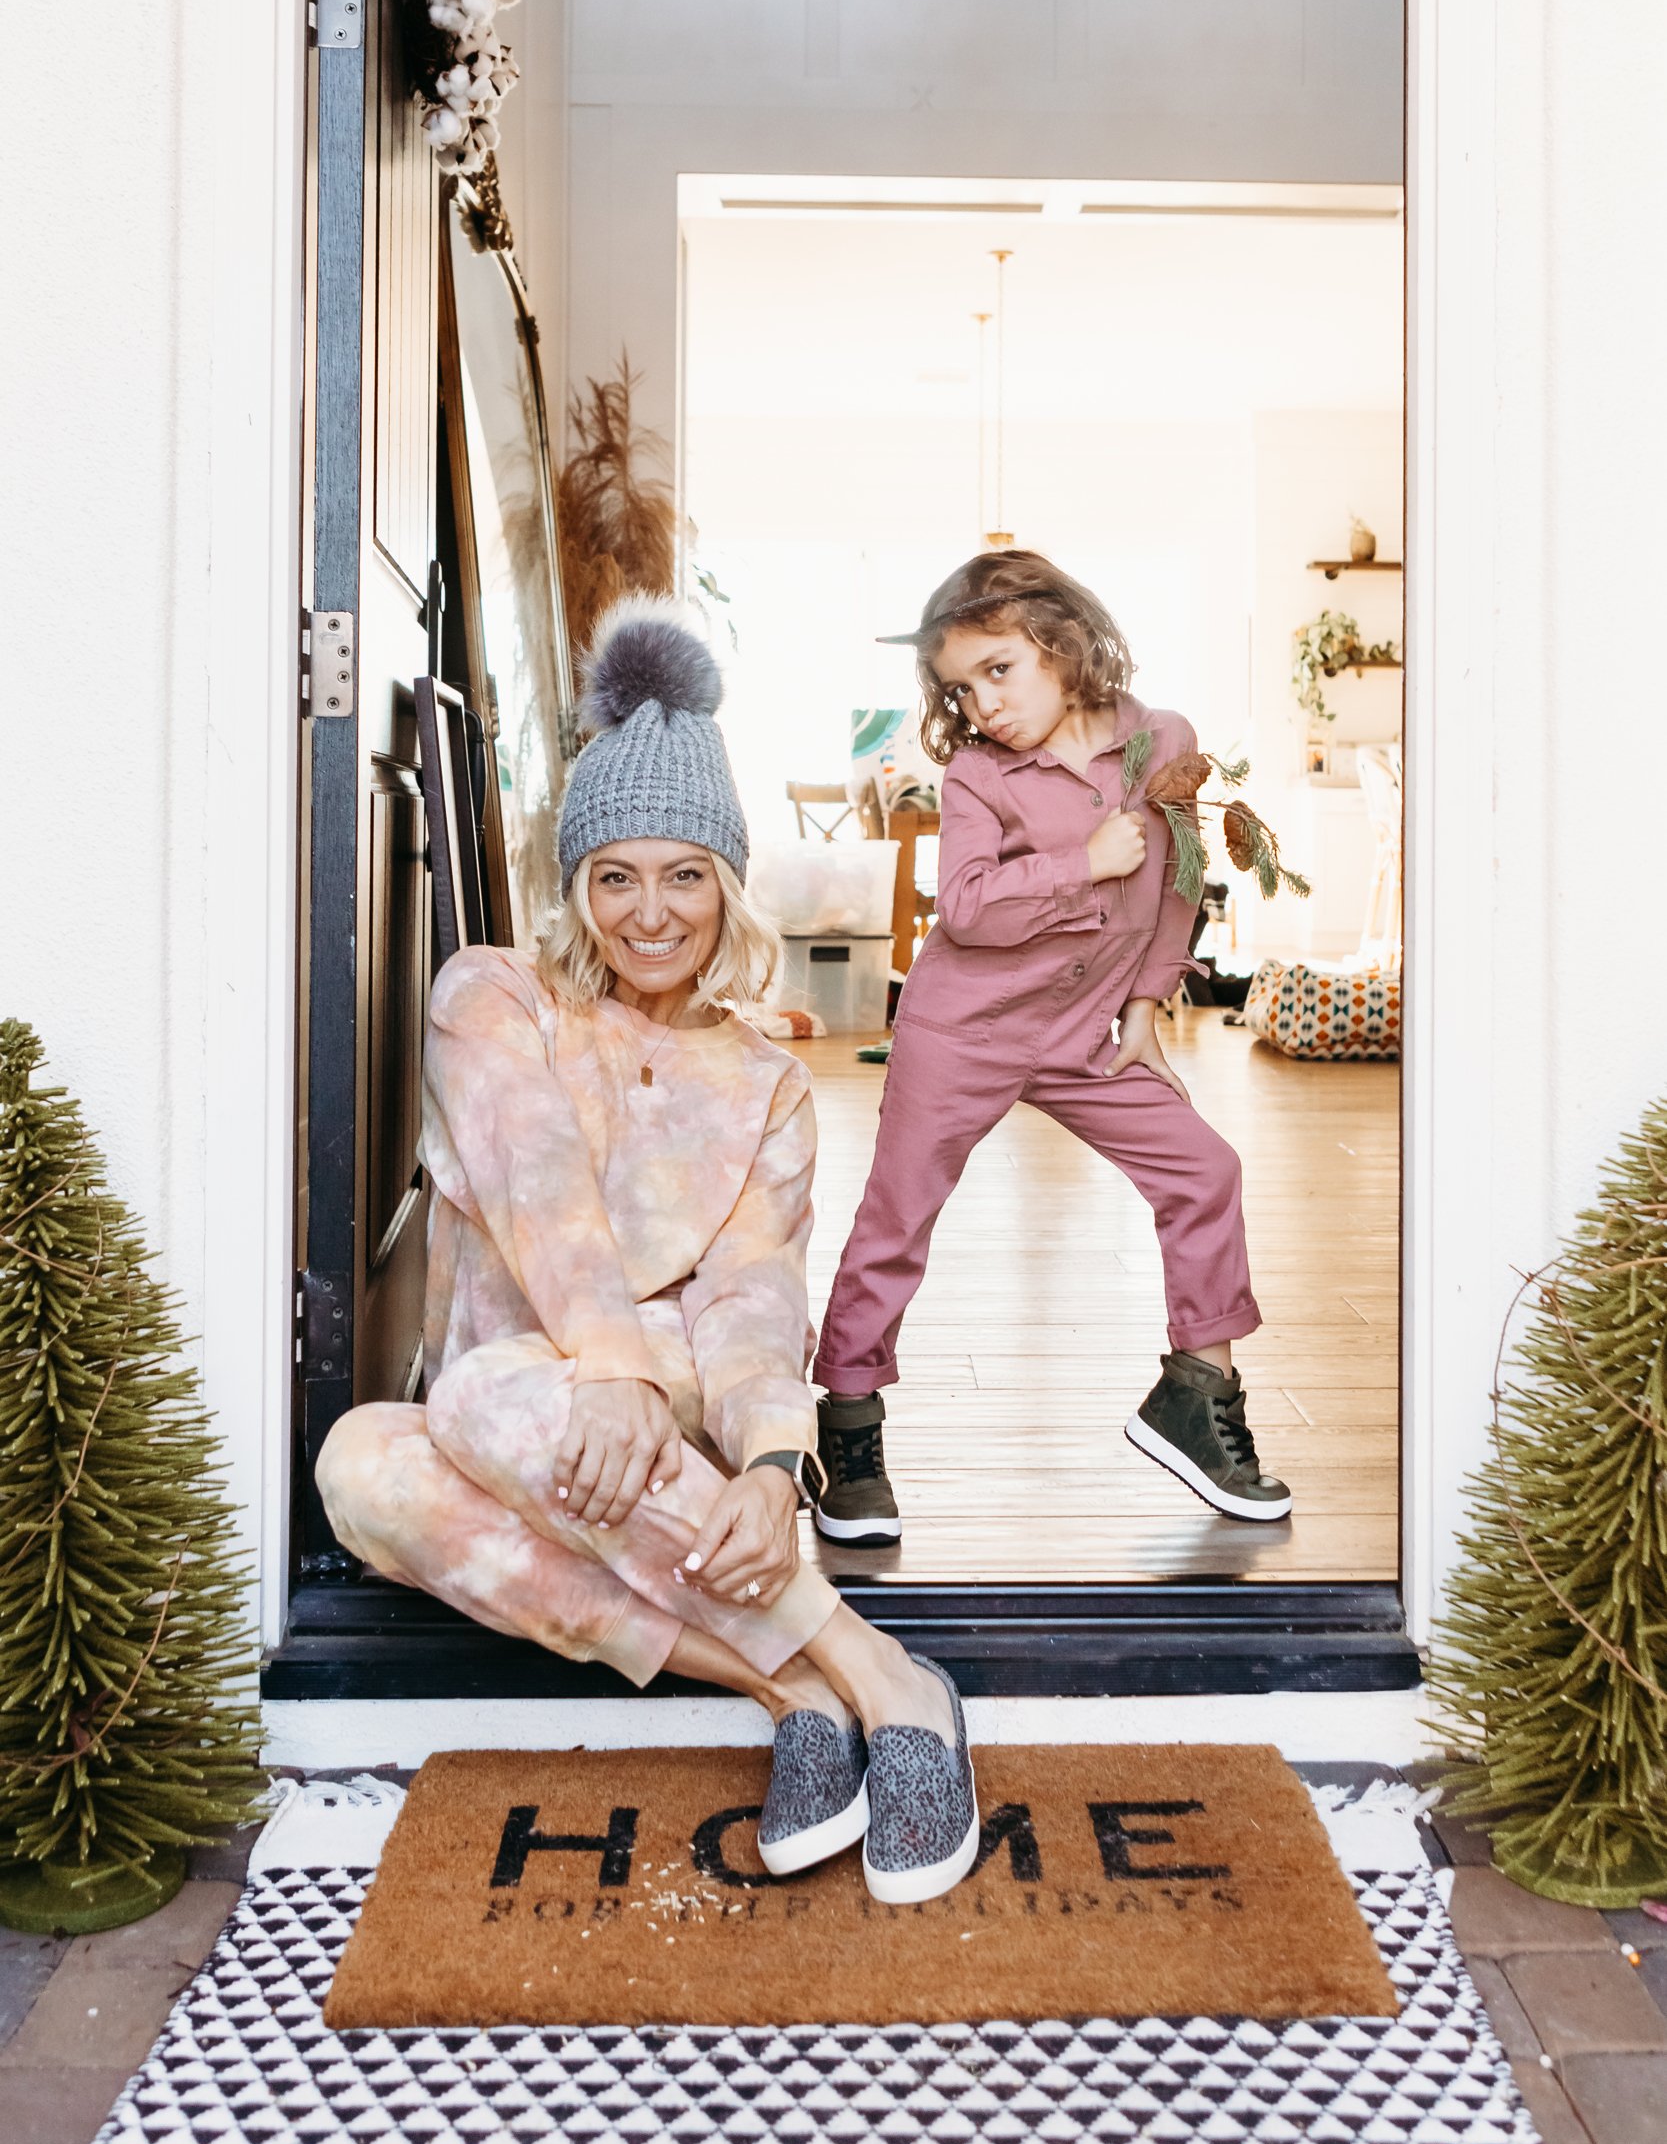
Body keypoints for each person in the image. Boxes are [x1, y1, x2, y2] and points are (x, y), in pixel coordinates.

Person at [318, 597, 979, 1904]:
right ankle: (831, 1678)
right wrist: (601, 1356)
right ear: (575, 884)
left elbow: (749, 1291)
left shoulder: (761, 1077)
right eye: (613, 874)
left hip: (658, 1408)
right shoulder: (491, 996)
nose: (649, 911)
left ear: (726, 884)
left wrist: (776, 1466)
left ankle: (852, 1685)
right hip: (526, 1398)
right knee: (364, 1463)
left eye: (683, 873)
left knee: (495, 1392)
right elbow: (538, 1182)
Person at [810, 550, 1292, 1546]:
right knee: (894, 1222)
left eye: (997, 670)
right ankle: (849, 1431)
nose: (979, 703)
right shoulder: (974, 778)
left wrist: (1147, 1011)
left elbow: (1177, 881)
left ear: (1061, 644)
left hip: (1086, 1035)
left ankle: (1196, 1395)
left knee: (1205, 1171)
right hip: (961, 1030)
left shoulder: (1160, 742)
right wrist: (1080, 862)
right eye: (957, 686)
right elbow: (972, 910)